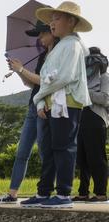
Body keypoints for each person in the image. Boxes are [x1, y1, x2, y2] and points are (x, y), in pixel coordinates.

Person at [21, 1, 92, 209]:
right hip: (54, 102)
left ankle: (63, 194)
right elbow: (45, 77)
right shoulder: (59, 46)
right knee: (50, 149)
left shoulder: (73, 44)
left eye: (57, 18)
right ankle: (44, 192)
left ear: (71, 21)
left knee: (63, 147)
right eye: (51, 19)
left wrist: (38, 97)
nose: (52, 23)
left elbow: (63, 78)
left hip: (67, 102)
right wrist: (42, 100)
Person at [0, 21, 57, 204]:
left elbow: (46, 82)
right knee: (22, 152)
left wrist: (21, 69)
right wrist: (19, 71)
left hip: (46, 106)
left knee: (46, 152)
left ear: (52, 32)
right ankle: (12, 194)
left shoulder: (58, 55)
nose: (40, 38)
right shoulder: (44, 56)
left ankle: (45, 192)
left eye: (42, 34)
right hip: (33, 106)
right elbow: (32, 83)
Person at [72, 46, 109, 203]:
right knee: (82, 158)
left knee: (96, 157)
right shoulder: (82, 78)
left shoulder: (104, 77)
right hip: (81, 117)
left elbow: (105, 99)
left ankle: (101, 193)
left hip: (96, 117)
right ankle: (83, 192)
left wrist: (85, 92)